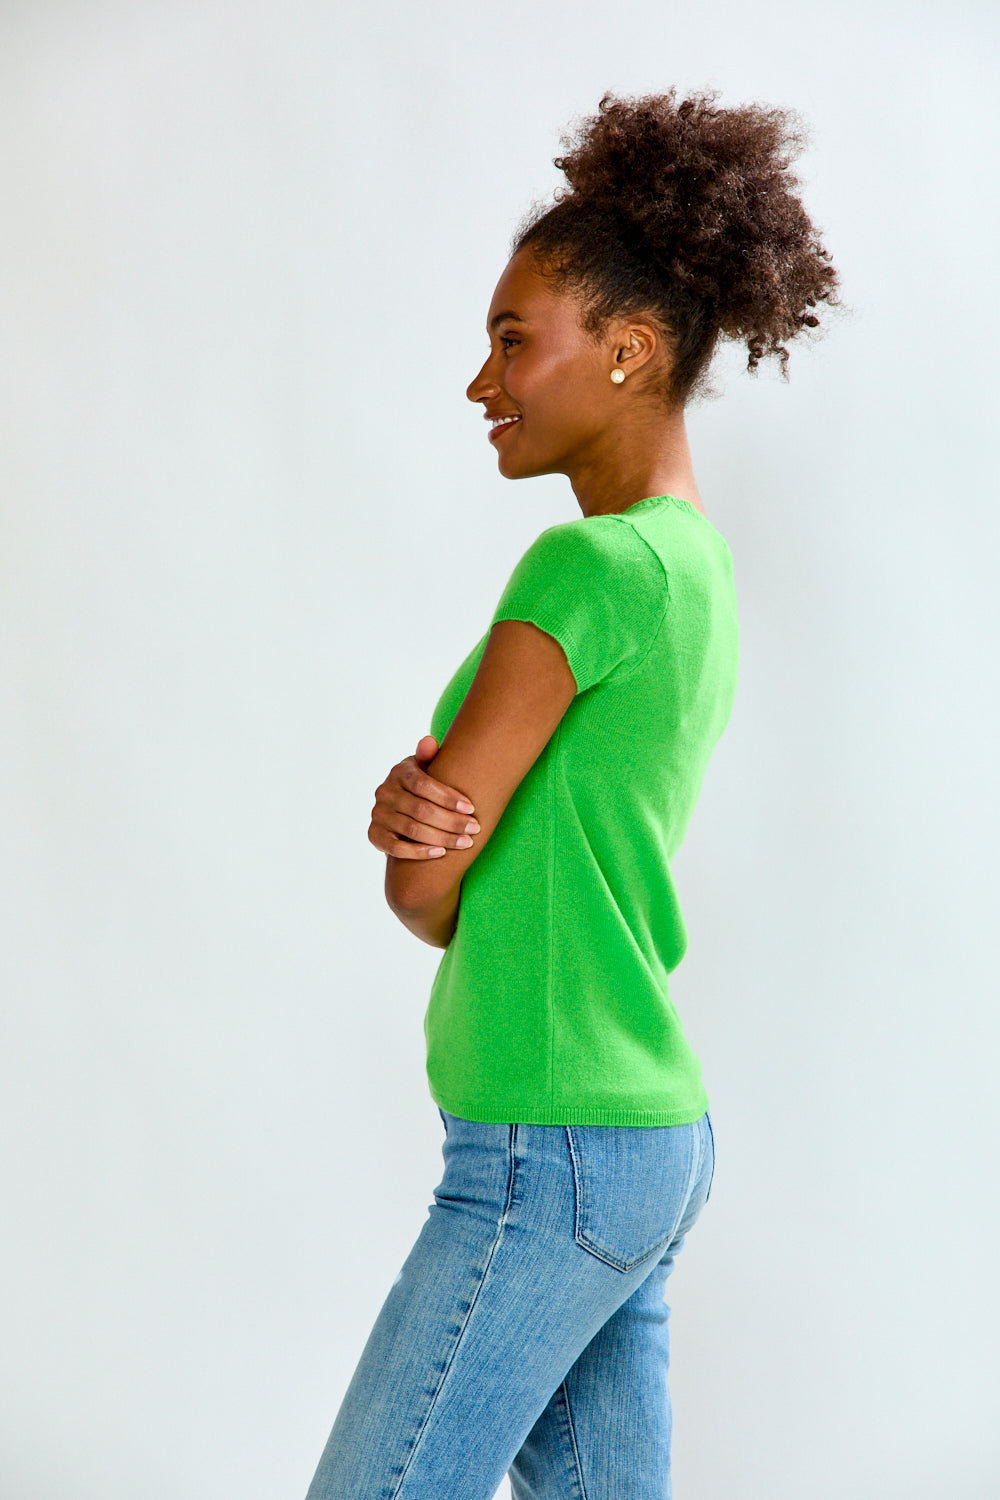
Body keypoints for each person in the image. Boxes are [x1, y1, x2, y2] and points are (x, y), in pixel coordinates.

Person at [305, 88, 839, 1500]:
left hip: (547, 1153)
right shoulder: (696, 571)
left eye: (508, 341)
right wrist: (437, 843)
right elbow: (482, 881)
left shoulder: (586, 573)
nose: (482, 382)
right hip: (637, 1138)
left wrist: (423, 841)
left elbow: (429, 890)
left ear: (627, 351)